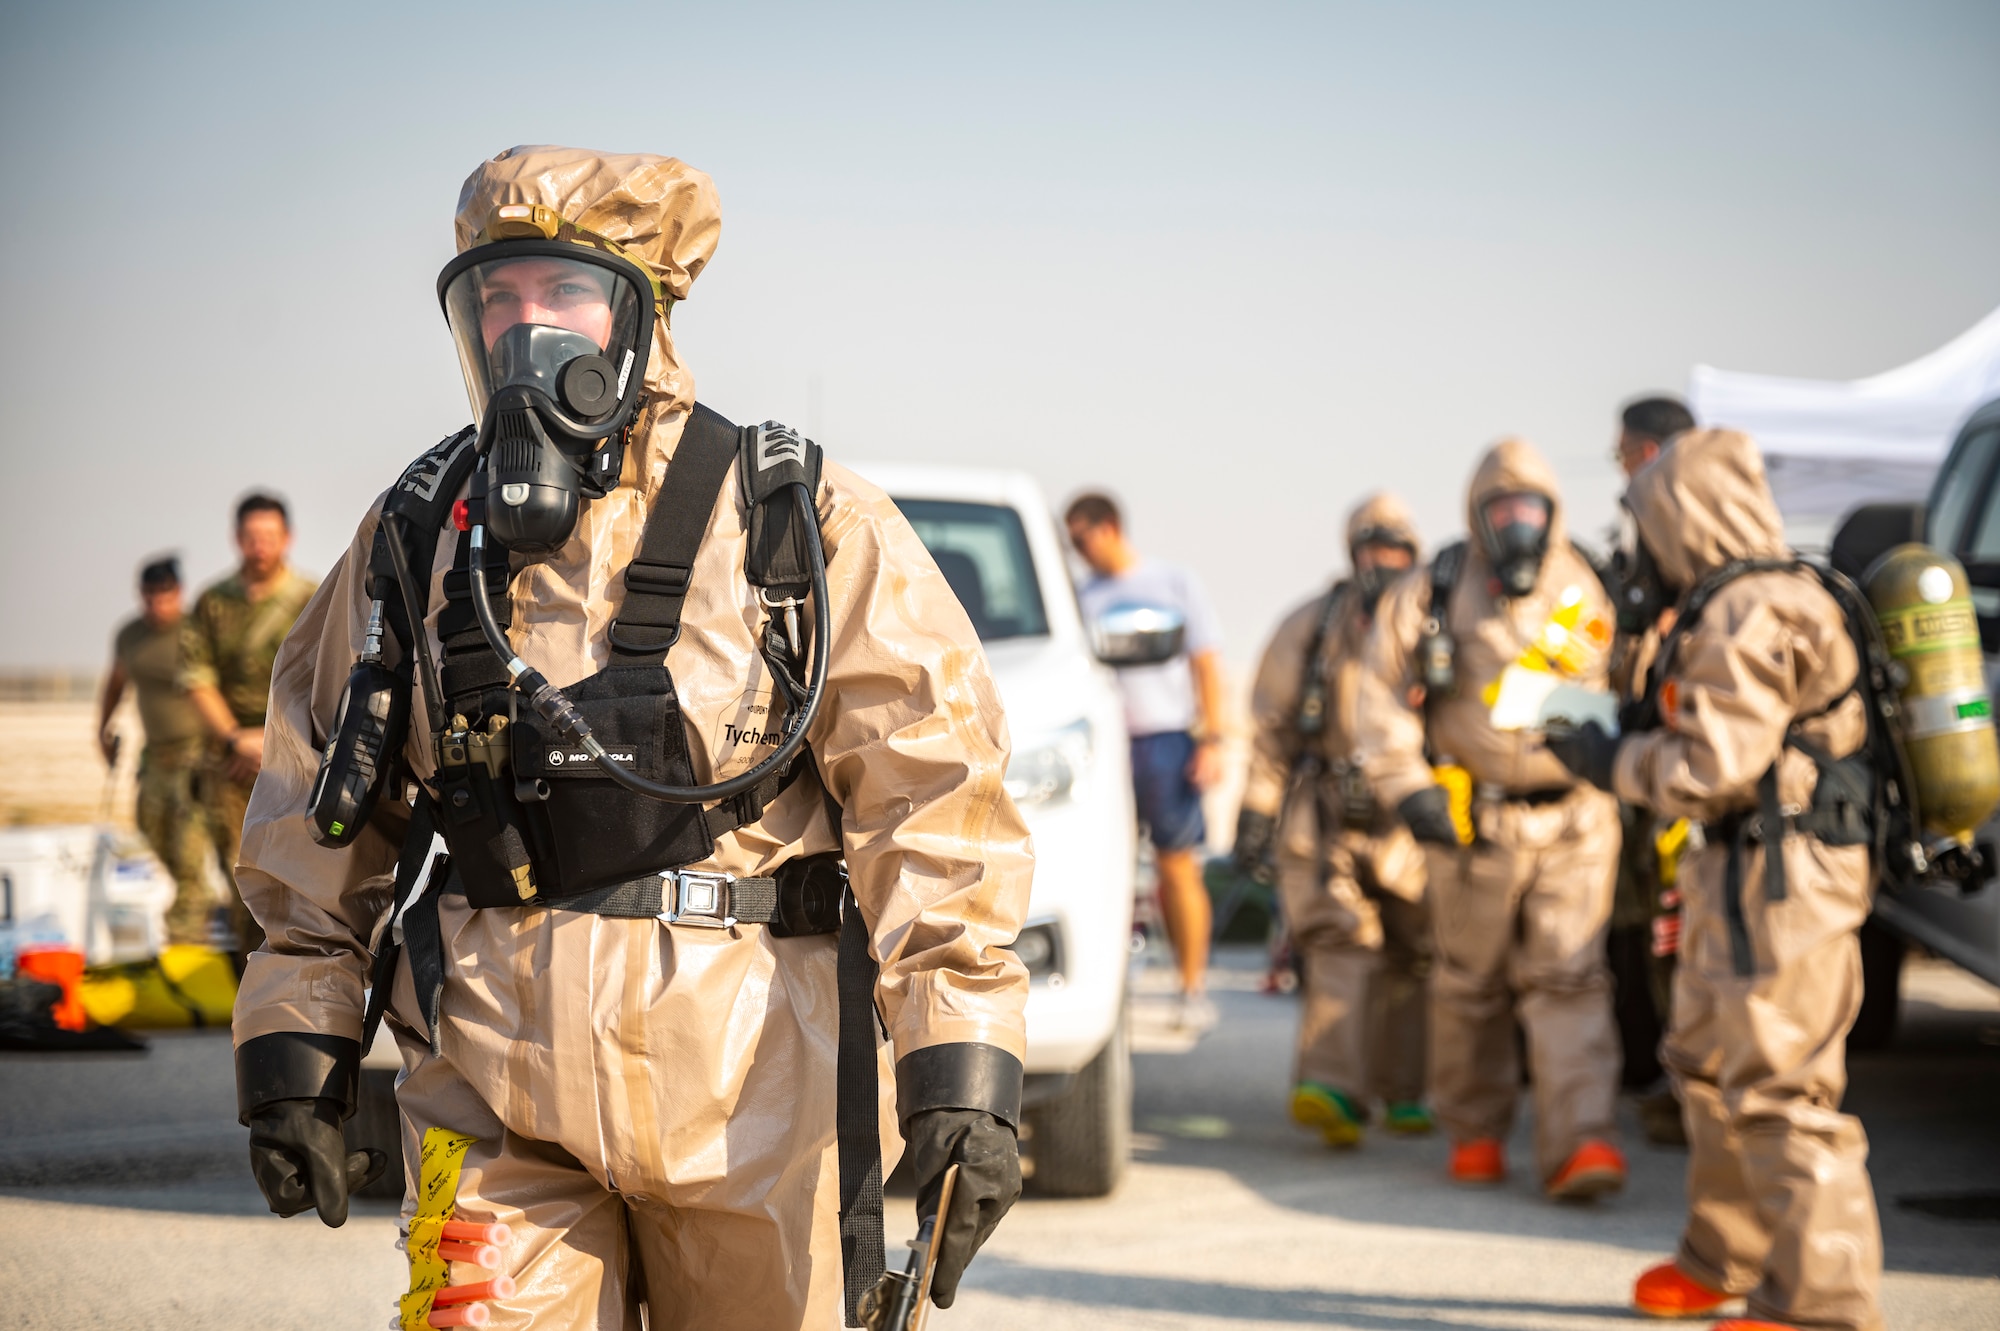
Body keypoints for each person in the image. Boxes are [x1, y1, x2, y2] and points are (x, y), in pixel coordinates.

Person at [230, 146, 1032, 1328]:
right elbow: (317, 786)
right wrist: (298, 1032)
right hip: (494, 1102)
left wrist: (961, 1059)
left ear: (641, 314)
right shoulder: (417, 536)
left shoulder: (798, 522)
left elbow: (934, 792)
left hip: (761, 1109)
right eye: (495, 299)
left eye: (562, 294)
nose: (524, 330)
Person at [1548, 428, 1885, 1331]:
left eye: (1649, 525)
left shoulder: (1755, 609)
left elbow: (1712, 767)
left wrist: (1609, 757)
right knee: (1705, 1066)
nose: (1638, 552)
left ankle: (1821, 1304)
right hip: (1733, 875)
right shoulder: (1729, 604)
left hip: (1785, 883)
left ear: (1683, 519)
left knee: (1782, 1089)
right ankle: (1723, 1256)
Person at [1355, 438, 1627, 1200]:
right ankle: (1475, 1131)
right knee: (1469, 984)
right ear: (1478, 515)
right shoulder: (1435, 586)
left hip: (1577, 817)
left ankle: (1582, 1142)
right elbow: (1378, 692)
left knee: (1569, 977)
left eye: (1529, 509)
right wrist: (1409, 788)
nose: (1517, 524)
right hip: (1474, 823)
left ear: (1553, 513)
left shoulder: (1589, 584)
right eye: (1502, 509)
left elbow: (1635, 679)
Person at [1236, 494, 1433, 1147]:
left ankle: (1405, 1091)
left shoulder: (1437, 620)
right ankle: (1332, 1087)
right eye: (1372, 548)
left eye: (1397, 549)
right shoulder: (1312, 626)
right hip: (1324, 815)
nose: (1385, 562)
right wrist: (1255, 814)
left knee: (1415, 952)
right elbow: (1269, 729)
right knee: (1340, 943)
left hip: (1416, 815)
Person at [1067, 492, 1227, 1027]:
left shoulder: (1172, 583)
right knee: (1101, 869)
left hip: (1166, 741)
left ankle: (1192, 986)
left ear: (1109, 528)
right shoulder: (1081, 596)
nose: (1077, 550)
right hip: (1107, 745)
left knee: (1176, 866)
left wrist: (1214, 738)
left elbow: (1206, 663)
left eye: (1081, 538)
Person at [1607, 393, 1700, 1146]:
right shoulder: (1672, 516)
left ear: (1643, 451)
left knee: (1673, 925)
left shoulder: (1681, 520)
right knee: (1647, 921)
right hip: (1655, 756)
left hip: (1682, 768)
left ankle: (1683, 1081)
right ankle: (1659, 1071)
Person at [182, 493, 317, 963]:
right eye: (251, 537)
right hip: (231, 764)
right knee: (243, 876)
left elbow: (328, 676)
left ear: (287, 538)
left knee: (298, 877)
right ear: (237, 539)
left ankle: (294, 982)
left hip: (294, 757)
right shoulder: (212, 603)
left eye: (269, 537)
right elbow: (195, 679)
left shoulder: (311, 598)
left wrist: (274, 741)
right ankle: (250, 991)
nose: (260, 547)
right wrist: (233, 739)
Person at [99, 556, 215, 944]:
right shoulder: (130, 635)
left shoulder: (194, 632)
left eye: (165, 595)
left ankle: (186, 937)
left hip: (196, 759)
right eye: (150, 596)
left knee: (188, 852)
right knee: (151, 836)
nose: (157, 604)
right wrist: (103, 727)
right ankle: (191, 908)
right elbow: (115, 683)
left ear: (178, 593)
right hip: (156, 760)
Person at [1614, 394, 1696, 479]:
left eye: (1622, 454)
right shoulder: (1706, 486)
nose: (1623, 468)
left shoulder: (1648, 491)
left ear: (1649, 452)